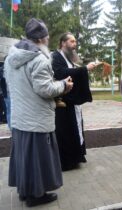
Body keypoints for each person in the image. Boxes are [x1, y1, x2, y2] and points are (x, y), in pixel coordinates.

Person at [5, 18, 73, 207]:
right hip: (36, 118)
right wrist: (63, 85)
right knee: (37, 158)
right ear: (41, 38)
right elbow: (45, 90)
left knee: (24, 157)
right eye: (47, 35)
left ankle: (25, 191)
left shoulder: (13, 57)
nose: (48, 38)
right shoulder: (39, 59)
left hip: (20, 118)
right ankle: (36, 195)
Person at [52, 32, 99, 171]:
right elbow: (60, 73)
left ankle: (76, 158)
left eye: (75, 42)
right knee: (64, 133)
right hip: (63, 103)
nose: (75, 44)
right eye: (72, 41)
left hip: (72, 102)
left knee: (75, 130)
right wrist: (85, 69)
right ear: (63, 43)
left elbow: (72, 73)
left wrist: (83, 70)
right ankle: (66, 162)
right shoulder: (56, 57)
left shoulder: (69, 58)